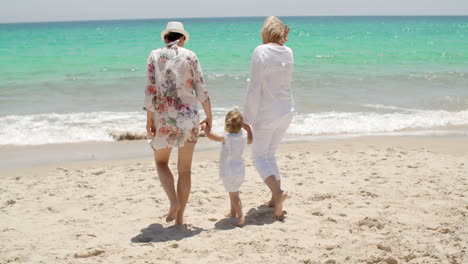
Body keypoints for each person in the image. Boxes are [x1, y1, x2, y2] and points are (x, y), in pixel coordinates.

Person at [144, 21, 213, 225]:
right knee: (185, 170)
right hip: (188, 117)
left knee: (161, 162)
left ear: (166, 38)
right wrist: (209, 116)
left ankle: (173, 200)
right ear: (181, 38)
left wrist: (149, 119)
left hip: (163, 117)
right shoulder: (190, 55)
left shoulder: (154, 55)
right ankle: (180, 218)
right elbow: (202, 89)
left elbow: (150, 91)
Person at [243, 16, 293, 219]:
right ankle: (274, 198)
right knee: (270, 154)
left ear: (265, 32)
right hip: (286, 110)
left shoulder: (260, 51)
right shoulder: (288, 51)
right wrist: (282, 42)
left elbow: (254, 87)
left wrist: (246, 118)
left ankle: (278, 193)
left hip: (267, 113)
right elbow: (278, 57)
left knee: (258, 157)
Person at [202, 109, 253, 226]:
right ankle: (232, 212)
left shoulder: (226, 138)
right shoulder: (243, 136)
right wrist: (249, 129)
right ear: (241, 125)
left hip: (229, 171)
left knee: (234, 195)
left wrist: (205, 126)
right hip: (239, 170)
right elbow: (251, 141)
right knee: (234, 192)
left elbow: (210, 135)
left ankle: (240, 216)